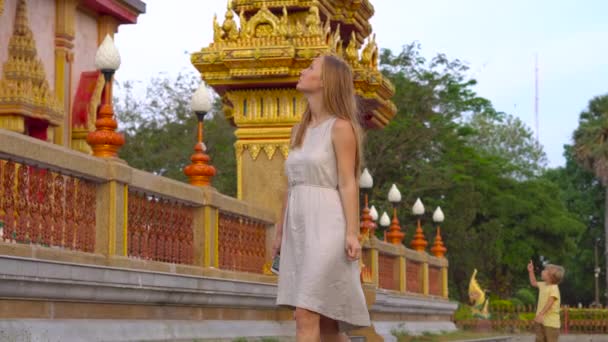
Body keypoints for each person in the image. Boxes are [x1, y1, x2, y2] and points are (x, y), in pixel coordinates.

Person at [272, 54, 371, 341]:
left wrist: (352, 233)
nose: (302, 71)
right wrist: (280, 230)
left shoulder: (341, 128)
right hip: (298, 228)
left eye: (310, 67)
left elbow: (348, 182)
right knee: (326, 322)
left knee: (305, 313)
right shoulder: (299, 130)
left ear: (326, 81)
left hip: (328, 226)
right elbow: (290, 185)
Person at [527, 260, 565, 342]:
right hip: (540, 320)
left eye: (545, 270)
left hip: (551, 323)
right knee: (539, 339)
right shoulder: (543, 285)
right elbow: (533, 282)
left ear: (550, 276)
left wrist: (541, 314)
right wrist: (531, 271)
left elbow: (550, 302)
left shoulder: (554, 288)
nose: (542, 271)